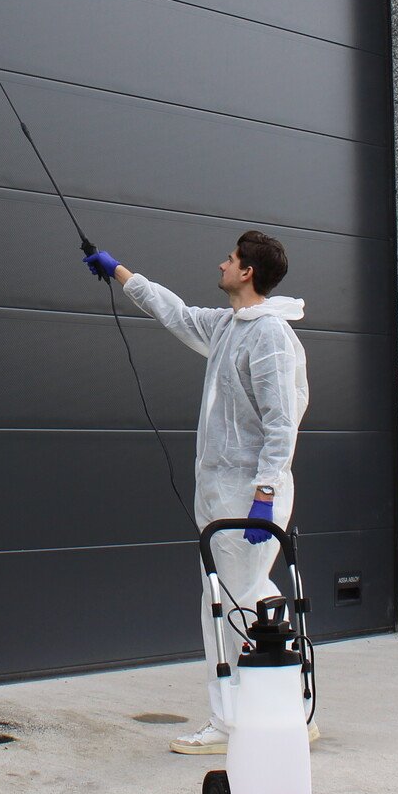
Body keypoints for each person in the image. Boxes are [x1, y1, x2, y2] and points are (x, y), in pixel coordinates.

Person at [81, 230, 313, 756]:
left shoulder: (270, 336)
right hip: (221, 491)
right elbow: (177, 314)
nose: (221, 264)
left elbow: (282, 422)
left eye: (230, 259)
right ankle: (291, 711)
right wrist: (119, 272)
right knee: (249, 597)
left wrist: (265, 493)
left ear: (247, 272)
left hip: (248, 496)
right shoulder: (230, 326)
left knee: (228, 604)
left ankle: (230, 722)